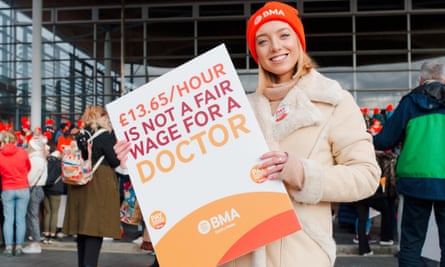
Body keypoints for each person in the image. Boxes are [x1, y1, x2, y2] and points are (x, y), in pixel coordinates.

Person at [114, 2, 381, 266]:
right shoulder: (238, 110)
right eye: (263, 41)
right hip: (236, 254)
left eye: (284, 35)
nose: (276, 46)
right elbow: (198, 176)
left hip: (300, 254)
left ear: (299, 41)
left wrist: (301, 172)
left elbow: (367, 176)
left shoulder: (333, 102)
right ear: (256, 53)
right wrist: (140, 159)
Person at [373, 60, 445, 267]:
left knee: (411, 243)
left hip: (415, 180)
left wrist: (365, 139)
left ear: (420, 79)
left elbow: (386, 141)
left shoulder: (410, 102)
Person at [63, 106, 122, 267]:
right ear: (101, 117)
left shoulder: (82, 134)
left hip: (79, 182)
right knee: (95, 228)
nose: (107, 120)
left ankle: (83, 264)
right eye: (105, 117)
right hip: (98, 184)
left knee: (83, 229)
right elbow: (115, 160)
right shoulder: (104, 135)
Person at [0, 130, 31, 256]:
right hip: (23, 187)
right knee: (21, 219)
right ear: (14, 140)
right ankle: (18, 247)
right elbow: (28, 167)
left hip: (7, 189)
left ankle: (8, 247)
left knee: (8, 219)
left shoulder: (0, 155)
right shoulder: (22, 152)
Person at [23, 136, 49, 254]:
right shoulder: (41, 158)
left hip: (33, 189)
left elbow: (30, 177)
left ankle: (36, 243)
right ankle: (35, 241)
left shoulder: (35, 159)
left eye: (29, 146)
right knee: (33, 215)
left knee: (33, 216)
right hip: (38, 189)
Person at [42, 149, 66, 244]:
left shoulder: (45, 162)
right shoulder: (60, 163)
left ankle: (46, 233)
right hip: (56, 189)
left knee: (48, 212)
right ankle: (52, 234)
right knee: (55, 212)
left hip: (45, 189)